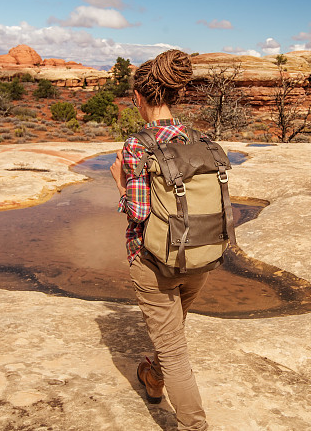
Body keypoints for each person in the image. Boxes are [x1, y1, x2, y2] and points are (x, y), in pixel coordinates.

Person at [109, 49, 209, 431]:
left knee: (173, 348)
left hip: (152, 261)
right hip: (198, 256)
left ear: (139, 98)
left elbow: (138, 212)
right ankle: (153, 377)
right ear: (173, 95)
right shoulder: (197, 138)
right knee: (171, 333)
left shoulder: (139, 145)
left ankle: (193, 425)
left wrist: (119, 182)